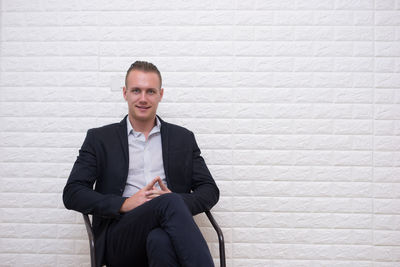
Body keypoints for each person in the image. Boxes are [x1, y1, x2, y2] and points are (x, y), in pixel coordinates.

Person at [63, 61, 219, 267]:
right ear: (125, 93)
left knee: (160, 239)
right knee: (168, 203)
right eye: (136, 90)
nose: (143, 99)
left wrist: (173, 201)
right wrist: (124, 204)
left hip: (166, 232)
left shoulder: (183, 138)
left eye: (150, 91)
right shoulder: (100, 138)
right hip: (119, 238)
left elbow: (209, 190)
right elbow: (73, 193)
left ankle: (168, 205)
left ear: (160, 94)